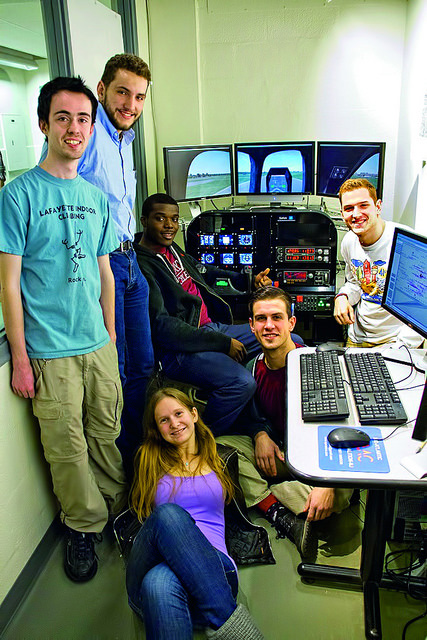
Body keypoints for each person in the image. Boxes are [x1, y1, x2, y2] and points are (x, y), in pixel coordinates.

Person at [0, 77, 127, 582]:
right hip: (50, 352)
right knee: (67, 449)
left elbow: (105, 274)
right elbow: (9, 286)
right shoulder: (17, 196)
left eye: (82, 119)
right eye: (63, 118)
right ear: (43, 124)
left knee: (106, 434)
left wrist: (112, 338)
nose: (74, 129)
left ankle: (119, 511)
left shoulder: (95, 198)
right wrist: (22, 358)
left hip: (97, 345)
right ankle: (83, 526)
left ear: (91, 128)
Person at [48, 54, 155, 477]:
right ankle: (128, 468)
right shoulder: (86, 135)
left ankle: (144, 454)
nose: (130, 104)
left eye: (139, 96)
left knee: (145, 366)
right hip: (100, 263)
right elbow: (56, 189)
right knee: (120, 368)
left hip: (130, 257)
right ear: (103, 89)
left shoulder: (122, 141)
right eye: (123, 92)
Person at [217, 287, 354, 561]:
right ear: (252, 327)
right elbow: (251, 415)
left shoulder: (318, 365)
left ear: (291, 323)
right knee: (216, 448)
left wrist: (326, 482)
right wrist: (259, 434)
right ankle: (280, 510)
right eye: (261, 319)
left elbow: (346, 429)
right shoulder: (252, 369)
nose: (269, 326)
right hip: (282, 453)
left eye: (277, 317)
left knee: (341, 494)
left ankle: (268, 500)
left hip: (319, 458)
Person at [134, 192, 284, 436]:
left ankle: (270, 421)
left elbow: (205, 270)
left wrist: (248, 279)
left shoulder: (172, 251)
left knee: (288, 340)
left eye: (174, 219)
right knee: (241, 383)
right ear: (144, 221)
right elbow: (162, 326)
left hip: (210, 328)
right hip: (180, 350)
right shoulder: (143, 265)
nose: (169, 225)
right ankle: (203, 439)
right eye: (160, 219)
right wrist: (223, 344)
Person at [126, 387, 265, 640]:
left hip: (215, 571)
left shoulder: (218, 457)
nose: (174, 424)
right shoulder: (149, 459)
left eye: (179, 414)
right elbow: (143, 517)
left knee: (158, 583)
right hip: (156, 557)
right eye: (164, 420)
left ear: (194, 414)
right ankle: (232, 624)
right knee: (169, 515)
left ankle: (222, 613)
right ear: (157, 429)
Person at [334, 178, 423, 348]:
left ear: (378, 207)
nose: (356, 214)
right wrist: (342, 297)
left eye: (363, 205)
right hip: (358, 339)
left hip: (396, 342)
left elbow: (420, 309)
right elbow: (355, 284)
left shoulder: (405, 243)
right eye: (349, 208)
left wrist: (400, 347)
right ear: (342, 213)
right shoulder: (348, 242)